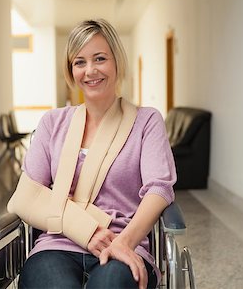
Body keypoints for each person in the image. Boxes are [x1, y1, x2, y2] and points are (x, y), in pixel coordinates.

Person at [14, 18, 176, 289]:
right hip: (57, 242)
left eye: (99, 58)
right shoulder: (53, 123)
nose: (90, 71)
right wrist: (86, 231)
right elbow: (26, 198)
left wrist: (124, 242)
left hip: (124, 241)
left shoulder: (147, 121)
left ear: (116, 62)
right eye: (79, 62)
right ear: (71, 70)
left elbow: (159, 190)